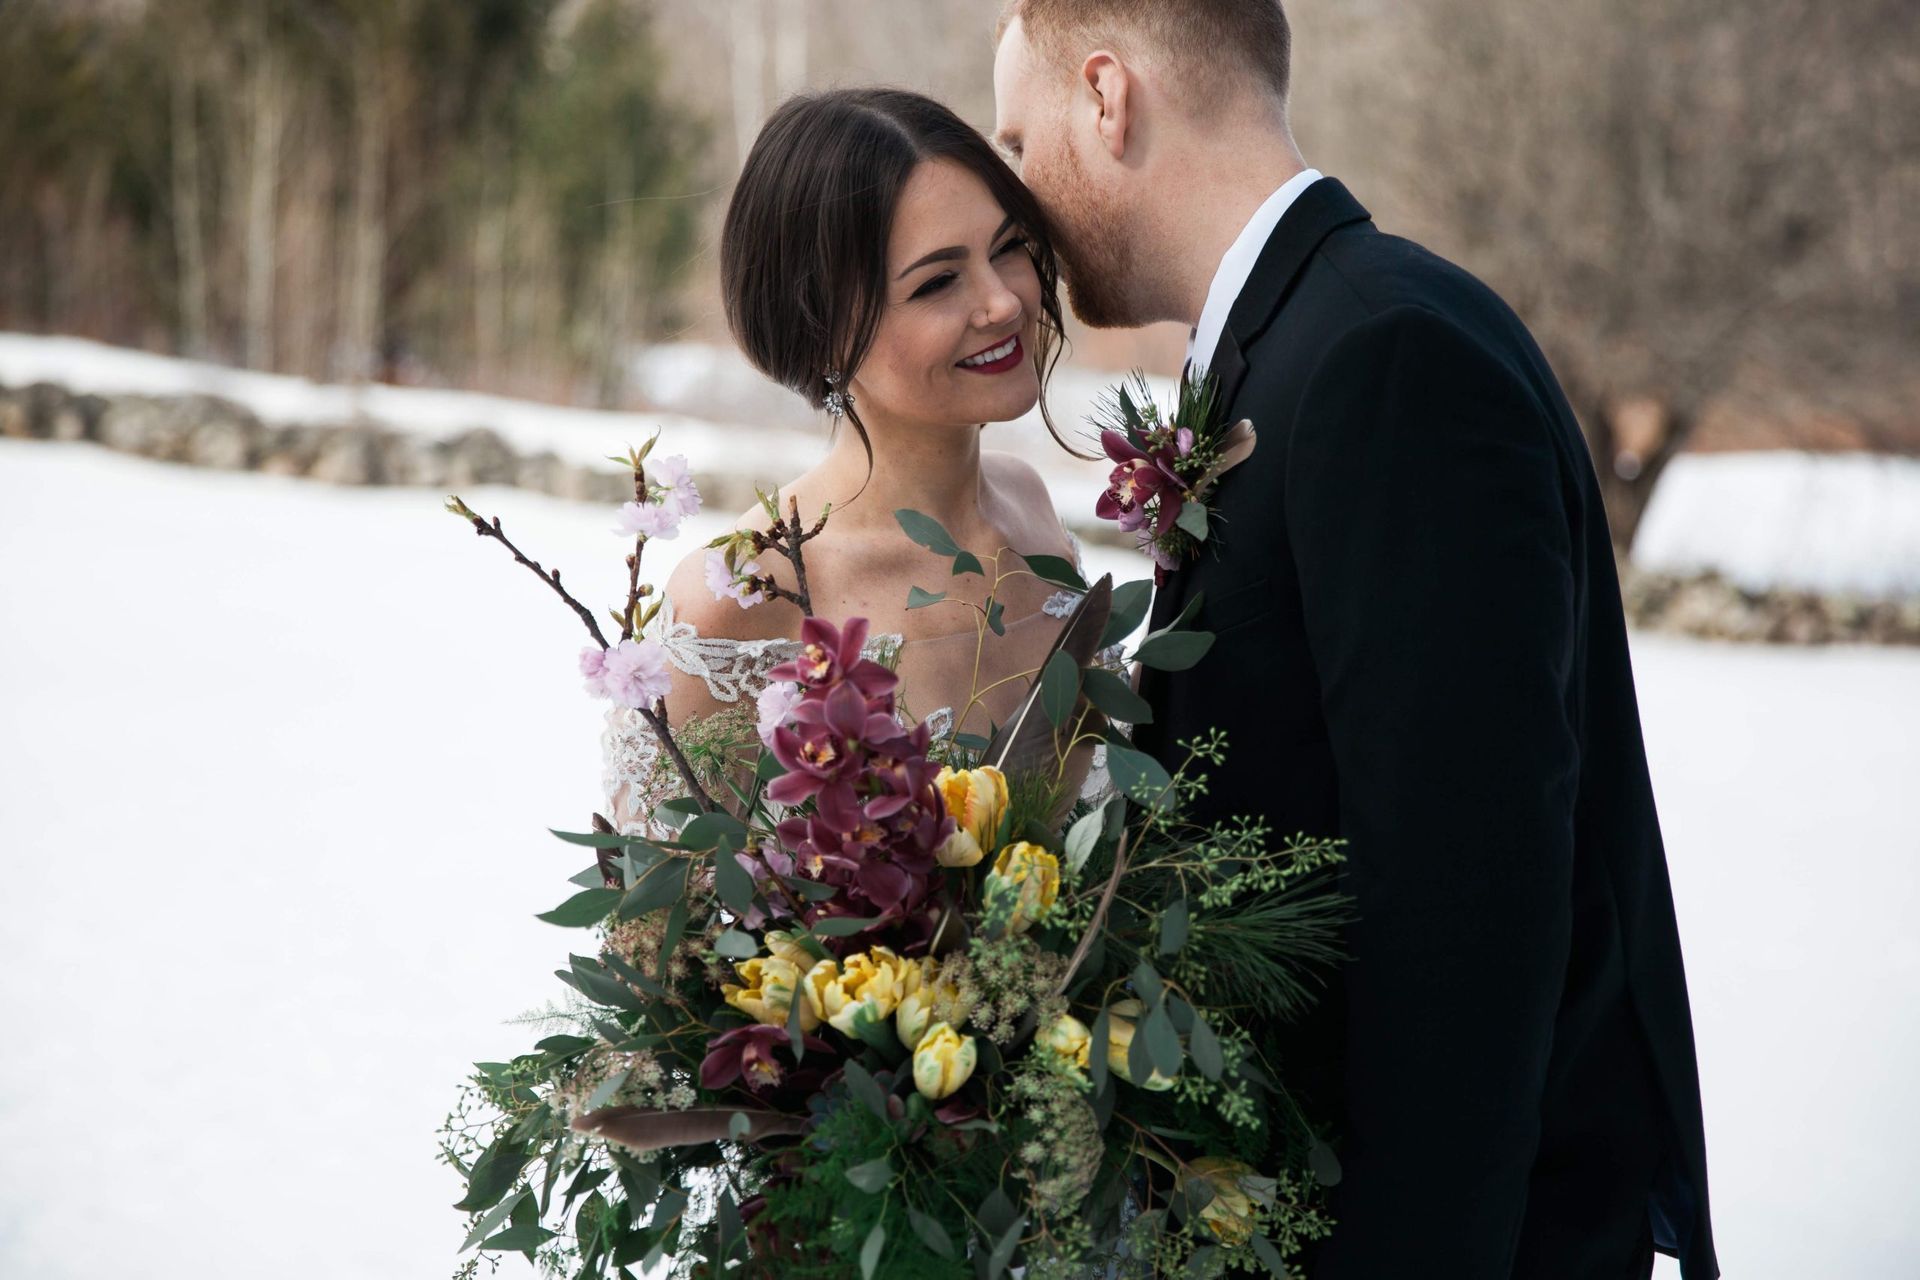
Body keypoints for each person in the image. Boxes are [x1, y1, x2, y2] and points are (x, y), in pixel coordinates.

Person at [990, 2, 1717, 1276]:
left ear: (1105, 97)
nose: (1015, 194)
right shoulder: (1307, 341)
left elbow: (1466, 921)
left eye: (1016, 136)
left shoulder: (1383, 356)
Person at [600, 87, 1115, 842]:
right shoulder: (742, 603)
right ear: (825, 332)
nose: (1003, 301)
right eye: (938, 281)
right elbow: (659, 946)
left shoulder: (1031, 507)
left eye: (1007, 247)